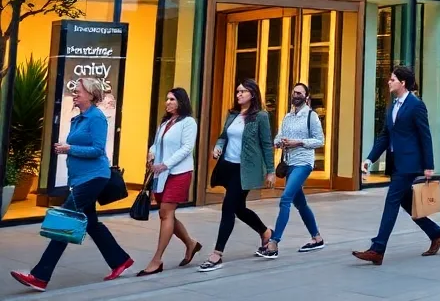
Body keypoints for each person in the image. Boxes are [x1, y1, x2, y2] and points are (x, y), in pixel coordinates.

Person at [10, 78, 134, 292]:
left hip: (94, 178)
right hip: (81, 179)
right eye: (74, 91)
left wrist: (69, 149)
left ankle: (40, 276)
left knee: (65, 223)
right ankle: (120, 260)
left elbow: (97, 150)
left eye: (78, 91)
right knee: (91, 224)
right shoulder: (78, 119)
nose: (74, 94)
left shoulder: (96, 118)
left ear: (91, 95)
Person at [354, 65, 440, 263]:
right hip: (396, 163)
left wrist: (428, 165)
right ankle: (437, 234)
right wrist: (369, 159)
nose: (389, 82)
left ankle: (378, 249)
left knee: (391, 201)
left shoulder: (416, 105)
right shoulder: (393, 106)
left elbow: (425, 135)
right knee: (408, 203)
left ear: (402, 83)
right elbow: (384, 136)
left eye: (392, 79)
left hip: (409, 163)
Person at [198, 79, 273, 272]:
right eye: (237, 91)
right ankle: (266, 232)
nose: (239, 94)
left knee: (228, 208)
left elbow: (266, 144)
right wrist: (218, 146)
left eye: (243, 91)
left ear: (253, 94)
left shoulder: (261, 117)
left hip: (245, 170)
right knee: (239, 208)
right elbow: (224, 135)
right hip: (228, 167)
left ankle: (217, 254)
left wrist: (271, 171)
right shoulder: (232, 114)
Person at [138, 88, 201, 275]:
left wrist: (165, 164)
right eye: (167, 99)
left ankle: (157, 260)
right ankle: (191, 243)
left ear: (181, 101)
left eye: (172, 99)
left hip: (178, 173)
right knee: (166, 214)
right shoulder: (165, 122)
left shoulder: (189, 122)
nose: (168, 102)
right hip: (161, 173)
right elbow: (157, 144)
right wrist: (151, 154)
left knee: (166, 213)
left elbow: (187, 148)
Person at [259, 82, 325, 258]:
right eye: (294, 92)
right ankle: (317, 238)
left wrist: (299, 142)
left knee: (286, 198)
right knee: (300, 203)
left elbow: (320, 141)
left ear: (306, 97)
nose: (295, 95)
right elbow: (278, 136)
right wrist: (279, 142)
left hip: (303, 163)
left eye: (299, 93)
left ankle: (274, 242)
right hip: (288, 163)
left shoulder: (311, 116)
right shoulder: (287, 117)